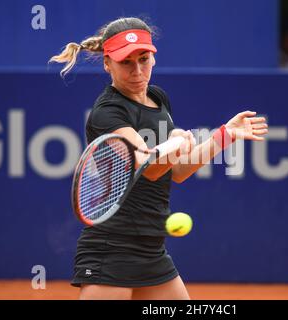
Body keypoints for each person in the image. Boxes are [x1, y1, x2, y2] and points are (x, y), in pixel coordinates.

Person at [49, 17, 268, 300]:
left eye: (143, 59)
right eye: (126, 62)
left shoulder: (158, 97)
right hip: (111, 248)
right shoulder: (107, 113)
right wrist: (174, 141)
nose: (137, 70)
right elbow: (147, 167)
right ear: (107, 63)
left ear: (153, 57)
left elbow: (175, 171)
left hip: (151, 247)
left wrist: (225, 135)